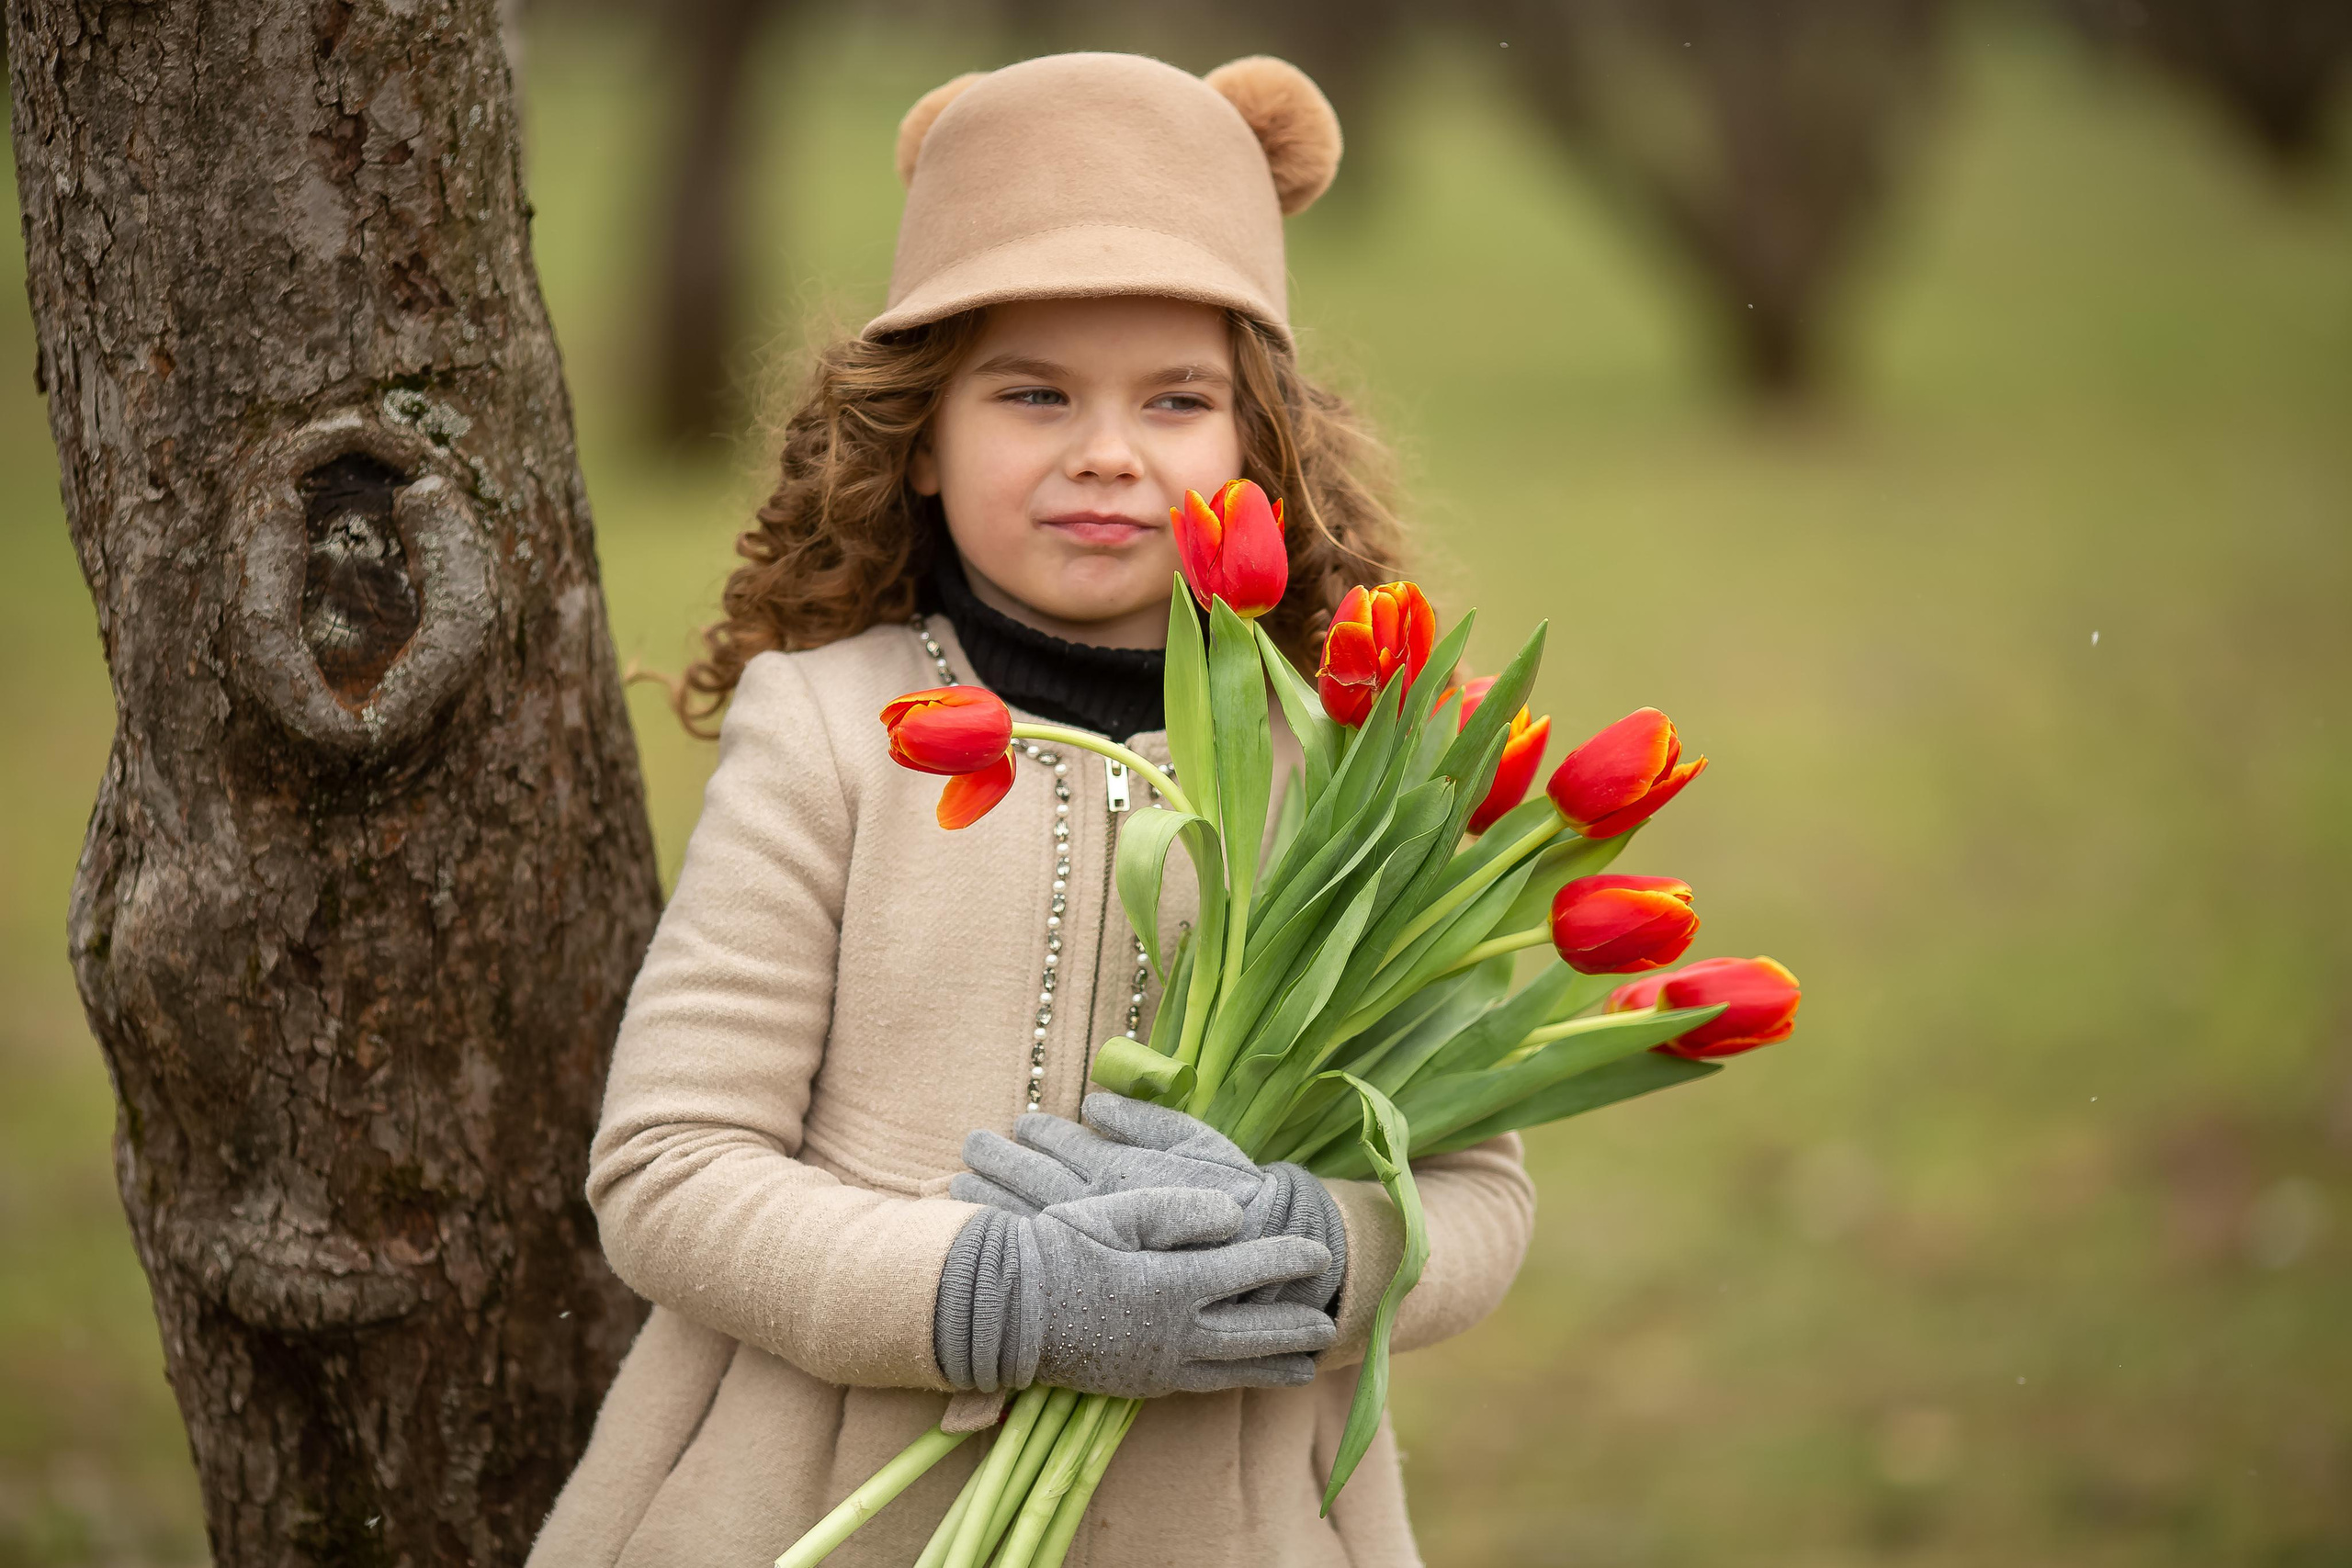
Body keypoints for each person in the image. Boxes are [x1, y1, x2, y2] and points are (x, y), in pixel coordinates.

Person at [527, 52, 1536, 1568]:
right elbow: (668, 1171)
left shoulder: (1351, 772)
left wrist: (1316, 1246)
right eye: (1034, 393)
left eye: (1178, 400)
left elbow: (1478, 1199)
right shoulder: (830, 736)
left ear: (1261, 450)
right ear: (920, 438)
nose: (1107, 452)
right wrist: (1007, 1295)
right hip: (823, 1498)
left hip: (1235, 1517)